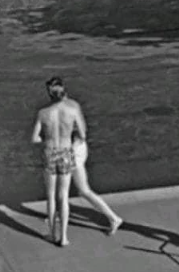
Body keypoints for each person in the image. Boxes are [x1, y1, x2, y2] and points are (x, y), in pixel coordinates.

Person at [31, 76, 82, 246]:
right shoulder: (72, 110)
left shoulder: (43, 113)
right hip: (66, 151)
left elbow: (34, 138)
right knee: (64, 196)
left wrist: (47, 139)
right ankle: (64, 237)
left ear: (49, 93)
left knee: (51, 196)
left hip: (50, 151)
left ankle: (53, 234)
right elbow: (81, 134)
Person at [70, 105, 123, 236]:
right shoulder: (76, 119)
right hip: (78, 153)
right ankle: (59, 212)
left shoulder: (72, 126)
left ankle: (114, 218)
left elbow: (74, 143)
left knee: (84, 190)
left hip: (74, 156)